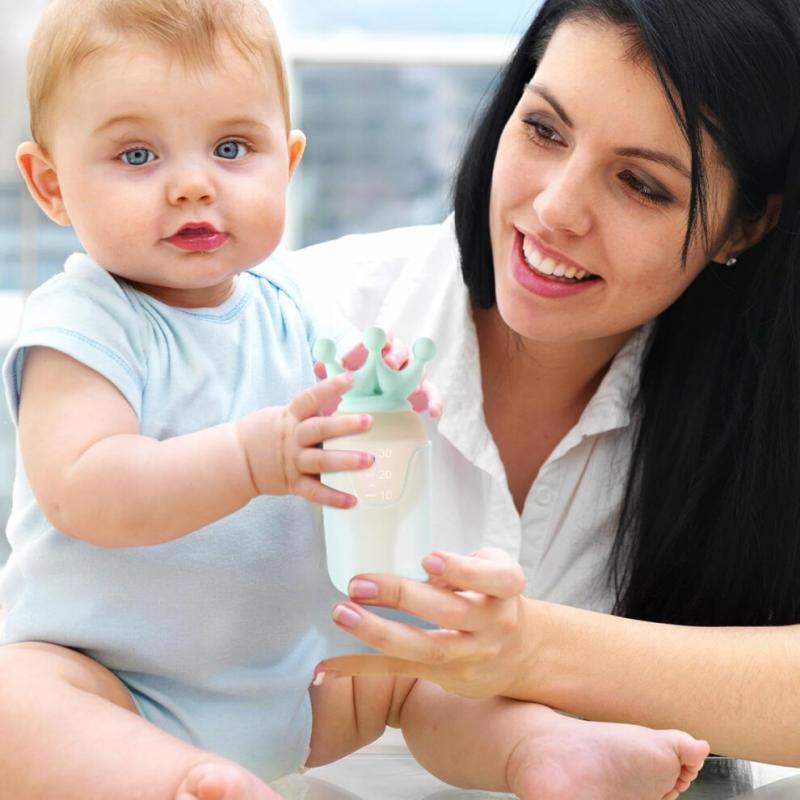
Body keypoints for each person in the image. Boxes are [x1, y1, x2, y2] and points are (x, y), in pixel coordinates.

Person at [0, 1, 712, 799]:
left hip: (305, 682)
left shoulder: (298, 311)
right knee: (15, 699)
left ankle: (541, 752)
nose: (194, 184)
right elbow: (85, 491)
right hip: (116, 686)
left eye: (232, 148)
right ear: (50, 185)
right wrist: (253, 456)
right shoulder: (86, 321)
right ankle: (185, 783)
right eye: (138, 155)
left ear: (288, 161)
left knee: (418, 671)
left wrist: (389, 398)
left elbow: (363, 449)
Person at [297, 0, 800, 770]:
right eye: (544, 130)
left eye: (640, 183)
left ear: (744, 227)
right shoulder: (301, 320)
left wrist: (529, 650)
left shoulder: (764, 418)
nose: (556, 208)